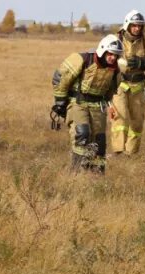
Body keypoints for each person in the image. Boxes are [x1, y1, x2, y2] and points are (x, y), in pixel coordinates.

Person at [52, 35, 124, 173]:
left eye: (116, 55)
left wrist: (110, 106)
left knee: (99, 143)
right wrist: (60, 102)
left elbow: (111, 92)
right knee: (82, 134)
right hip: (78, 103)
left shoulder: (115, 71)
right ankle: (75, 172)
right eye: (110, 54)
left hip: (98, 106)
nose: (113, 58)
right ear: (103, 50)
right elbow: (59, 78)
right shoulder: (82, 60)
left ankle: (96, 175)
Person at [110, 9, 145, 155]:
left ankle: (131, 153)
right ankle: (118, 151)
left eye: (140, 25)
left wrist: (143, 62)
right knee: (121, 118)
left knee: (137, 123)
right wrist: (122, 65)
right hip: (119, 85)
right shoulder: (117, 38)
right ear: (127, 25)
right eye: (134, 25)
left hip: (138, 86)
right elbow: (109, 58)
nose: (137, 28)